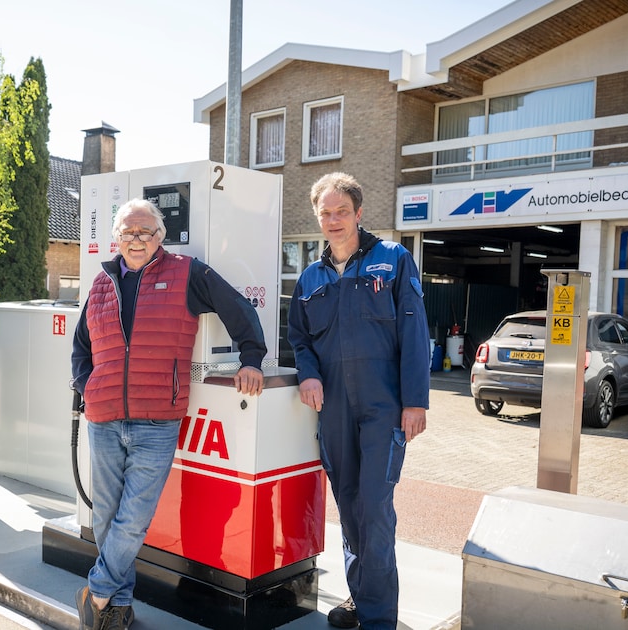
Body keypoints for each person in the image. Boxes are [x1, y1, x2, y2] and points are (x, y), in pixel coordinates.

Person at [71, 198, 267, 630]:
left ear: (160, 236)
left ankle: (97, 591)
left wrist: (251, 358)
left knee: (133, 519)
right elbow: (81, 346)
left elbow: (238, 307)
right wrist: (86, 386)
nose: (136, 239)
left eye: (145, 231)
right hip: (104, 418)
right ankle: (118, 606)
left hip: (157, 419)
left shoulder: (187, 273)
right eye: (128, 232)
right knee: (105, 516)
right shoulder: (101, 283)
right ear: (116, 238)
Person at [286, 173, 430, 630]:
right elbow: (299, 337)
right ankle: (361, 597)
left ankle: (378, 619)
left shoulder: (393, 259)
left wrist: (416, 401)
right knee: (348, 505)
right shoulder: (310, 278)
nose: (334, 220)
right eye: (325, 213)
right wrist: (308, 373)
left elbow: (414, 329)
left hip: (383, 405)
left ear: (358, 213)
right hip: (335, 409)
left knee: (374, 507)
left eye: (342, 211)